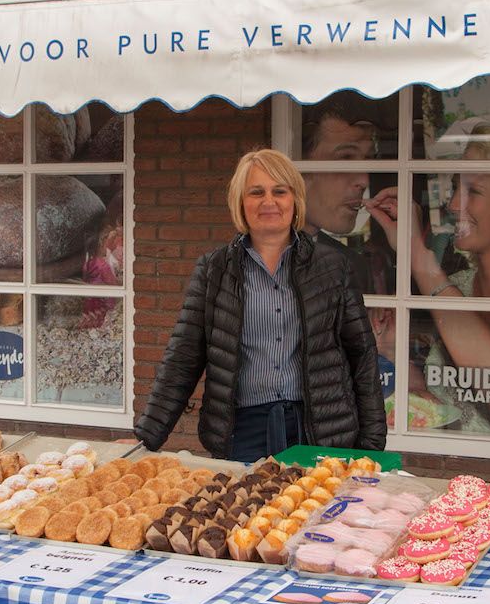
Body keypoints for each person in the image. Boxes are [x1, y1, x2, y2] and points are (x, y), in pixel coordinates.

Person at [136, 148, 386, 465]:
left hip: (320, 430)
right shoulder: (214, 270)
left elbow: (362, 355)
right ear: (241, 202)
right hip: (243, 432)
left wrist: (371, 446)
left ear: (295, 199)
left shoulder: (333, 267)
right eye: (256, 192)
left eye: (279, 191)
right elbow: (182, 359)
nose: (269, 201)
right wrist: (146, 438)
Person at [367, 137, 490, 433]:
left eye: (473, 191)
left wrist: (417, 255)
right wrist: (391, 349)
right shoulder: (456, 285)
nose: (453, 205)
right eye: (455, 189)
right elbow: (439, 400)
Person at [299, 100, 396, 296]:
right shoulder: (245, 264)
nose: (364, 181)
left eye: (367, 160)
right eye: (345, 158)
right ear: (299, 167)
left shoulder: (354, 266)